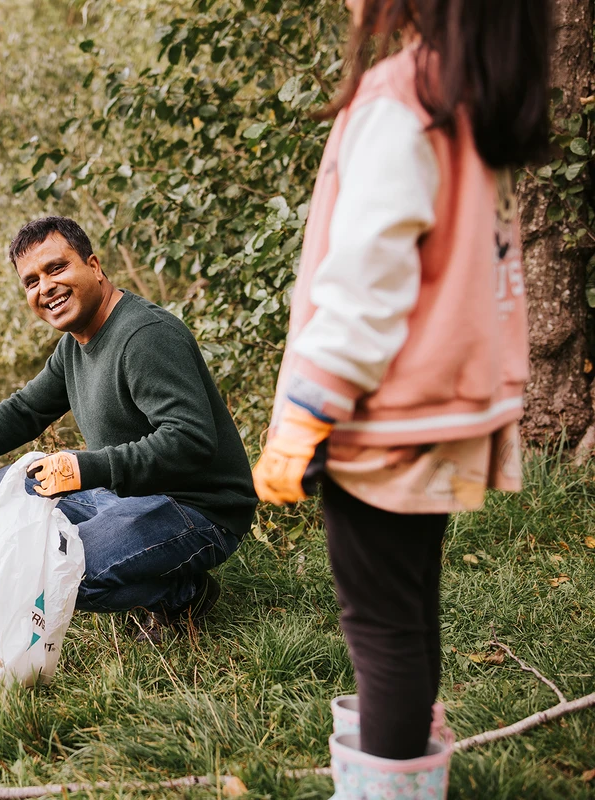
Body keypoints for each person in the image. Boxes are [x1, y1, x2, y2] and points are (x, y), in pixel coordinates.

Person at [252, 0, 551, 794]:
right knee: (409, 618)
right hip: (448, 412)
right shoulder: (466, 92)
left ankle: (387, 779)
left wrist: (306, 412)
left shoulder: (396, 99)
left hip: (383, 416)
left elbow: (365, 286)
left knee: (379, 631)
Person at [0, 216, 257, 639]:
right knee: (10, 485)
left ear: (94, 267)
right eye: (31, 281)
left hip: (198, 509)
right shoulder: (74, 345)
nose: (45, 288)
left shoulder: (146, 336)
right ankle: (149, 572)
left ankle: (183, 593)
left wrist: (84, 469)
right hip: (131, 495)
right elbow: (26, 409)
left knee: (57, 578)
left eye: (57, 268)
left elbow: (190, 440)